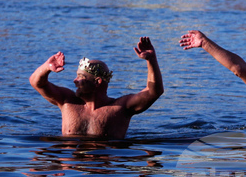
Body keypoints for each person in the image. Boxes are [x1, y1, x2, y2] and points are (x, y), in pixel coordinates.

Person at [29, 36, 163, 139]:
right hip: (74, 173)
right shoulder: (67, 101)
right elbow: (37, 82)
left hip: (103, 169)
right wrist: (46, 67)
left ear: (97, 82)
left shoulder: (120, 108)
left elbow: (154, 91)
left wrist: (151, 60)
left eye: (80, 77)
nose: (74, 81)